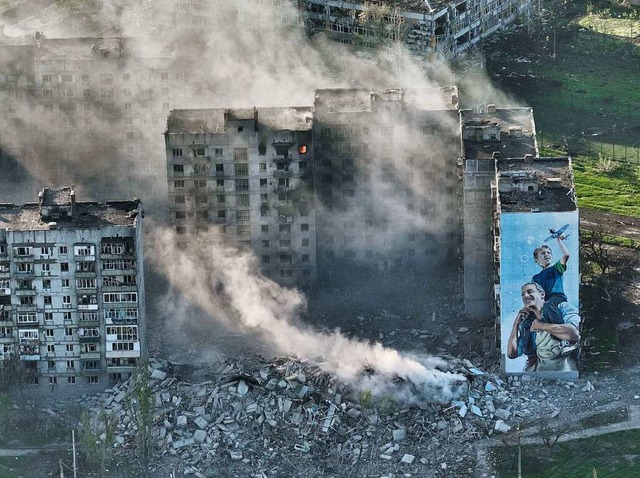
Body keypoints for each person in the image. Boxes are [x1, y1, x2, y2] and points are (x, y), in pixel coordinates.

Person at [507, 282, 580, 372]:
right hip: (540, 371)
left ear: (542, 294)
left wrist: (541, 326)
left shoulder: (561, 308)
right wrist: (516, 324)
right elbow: (512, 354)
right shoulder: (528, 324)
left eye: (530, 292)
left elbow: (574, 334)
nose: (526, 296)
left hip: (565, 369)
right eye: (523, 294)